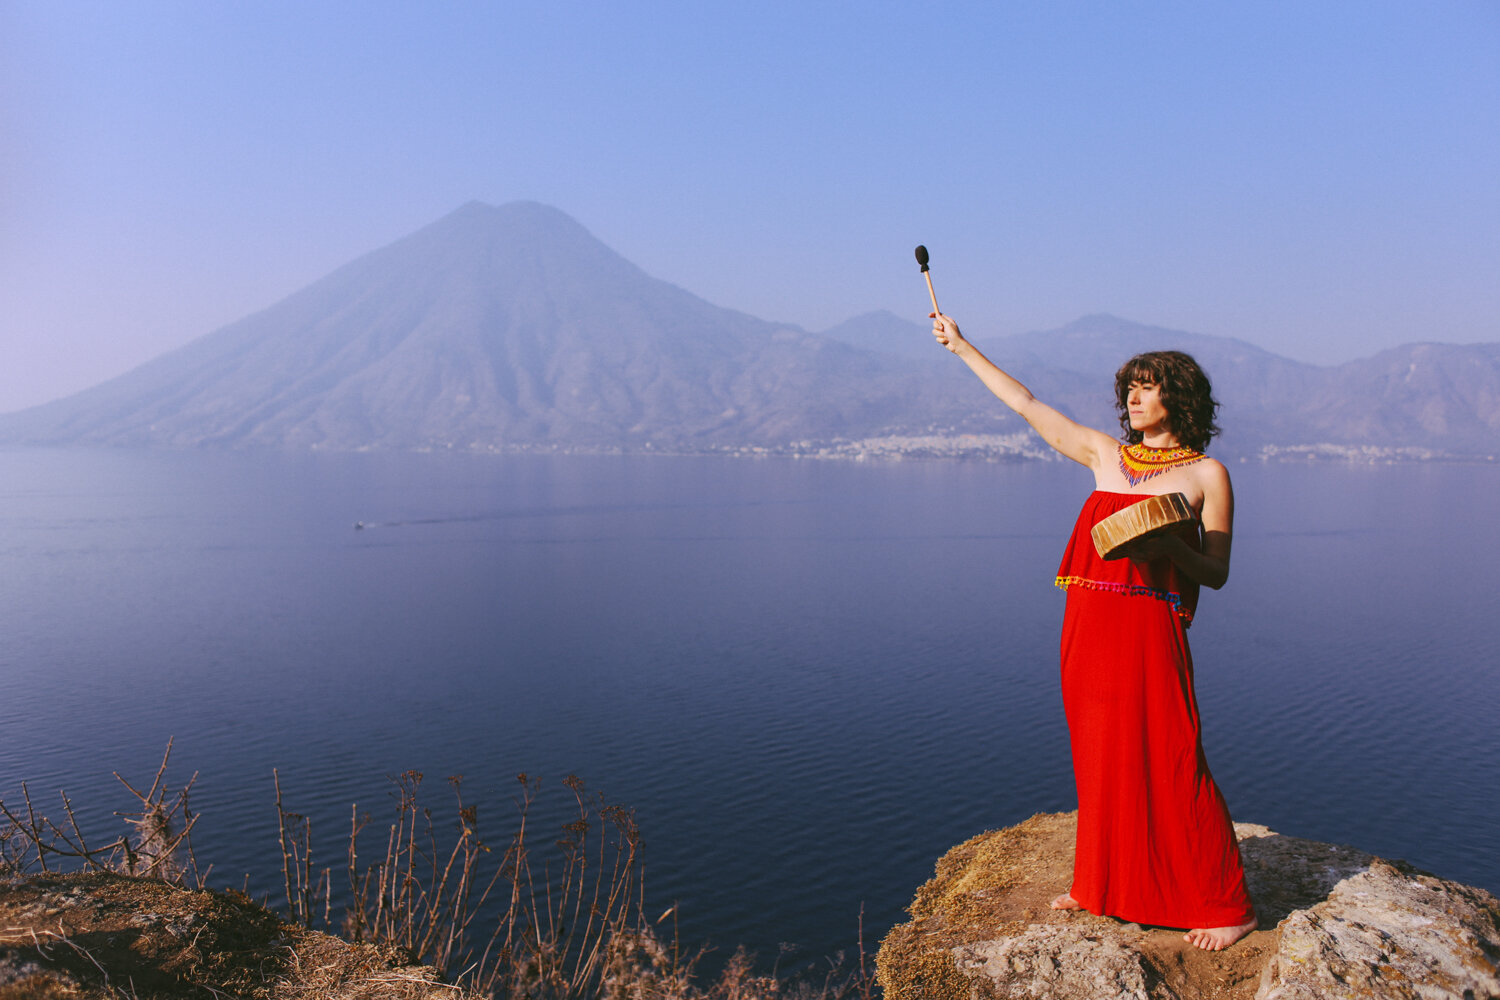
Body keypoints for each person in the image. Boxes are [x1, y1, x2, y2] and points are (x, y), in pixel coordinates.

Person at [931, 311, 1257, 951]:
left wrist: (1171, 545)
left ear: (1178, 397)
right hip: (1088, 622)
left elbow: (1215, 572)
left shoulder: (1206, 475)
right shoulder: (1104, 454)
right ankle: (1099, 887)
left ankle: (1227, 904)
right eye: (1129, 387)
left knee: (1173, 753)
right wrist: (964, 347)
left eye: (1148, 386)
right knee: (1099, 752)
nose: (1133, 398)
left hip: (1149, 624)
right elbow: (1027, 404)